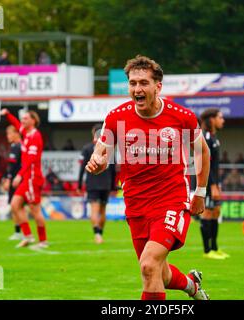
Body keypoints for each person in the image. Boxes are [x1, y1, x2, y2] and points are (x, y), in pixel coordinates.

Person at [86, 55, 210, 300]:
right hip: (135, 204)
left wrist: (200, 192)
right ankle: (192, 286)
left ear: (158, 87)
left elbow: (202, 151)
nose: (137, 89)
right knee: (157, 272)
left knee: (148, 265)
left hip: (170, 200)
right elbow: (100, 153)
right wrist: (97, 162)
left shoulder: (181, 116)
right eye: (132, 83)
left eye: (143, 83)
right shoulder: (116, 117)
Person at [1, 108, 48, 249]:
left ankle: (43, 241)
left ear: (33, 121)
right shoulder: (25, 133)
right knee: (15, 205)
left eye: (26, 118)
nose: (22, 121)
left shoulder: (35, 136)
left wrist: (19, 175)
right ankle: (28, 236)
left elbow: (31, 160)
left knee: (35, 210)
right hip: (27, 177)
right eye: (22, 119)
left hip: (33, 178)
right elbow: (16, 124)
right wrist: (7, 114)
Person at [199, 108, 229, 260]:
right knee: (207, 213)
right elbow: (204, 164)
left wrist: (217, 183)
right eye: (220, 117)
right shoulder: (205, 137)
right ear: (211, 119)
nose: (222, 120)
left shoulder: (215, 137)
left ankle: (215, 247)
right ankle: (207, 250)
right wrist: (211, 185)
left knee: (216, 212)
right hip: (207, 183)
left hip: (214, 182)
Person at [78, 124, 116, 244]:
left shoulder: (87, 148)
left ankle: (97, 235)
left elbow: (82, 167)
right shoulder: (109, 150)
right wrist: (113, 185)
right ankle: (100, 234)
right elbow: (114, 169)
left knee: (94, 209)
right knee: (103, 210)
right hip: (106, 183)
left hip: (93, 183)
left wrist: (79, 184)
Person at [4, 125, 22, 241]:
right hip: (15, 180)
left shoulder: (18, 147)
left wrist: (9, 179)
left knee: (16, 206)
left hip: (18, 181)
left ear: (16, 133)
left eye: (9, 134)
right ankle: (19, 232)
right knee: (15, 206)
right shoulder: (14, 146)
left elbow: (14, 166)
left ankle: (22, 233)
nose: (8, 136)